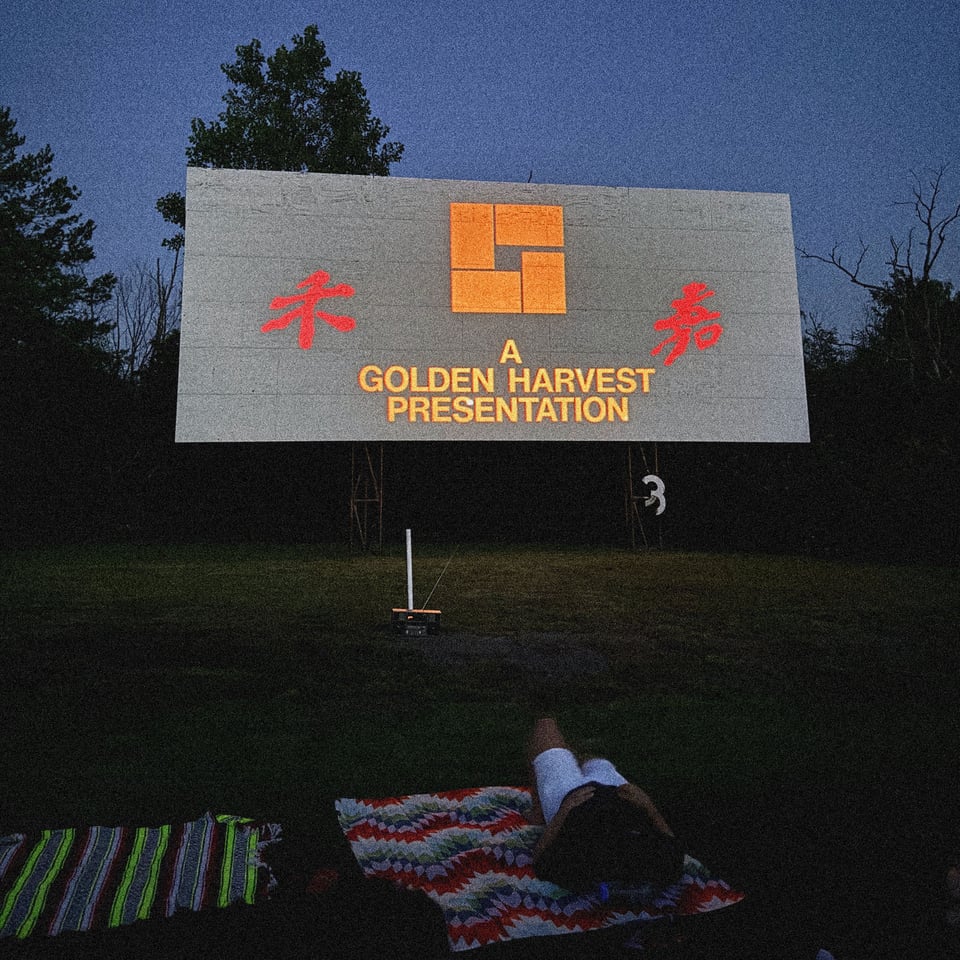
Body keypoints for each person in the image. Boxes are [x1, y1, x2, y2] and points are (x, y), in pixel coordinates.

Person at [525, 717, 684, 897]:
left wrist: (564, 811)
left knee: (546, 727)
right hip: (619, 793)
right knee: (597, 763)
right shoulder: (653, 862)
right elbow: (672, 846)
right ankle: (579, 757)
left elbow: (540, 859)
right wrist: (648, 806)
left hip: (570, 795)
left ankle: (539, 810)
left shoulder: (582, 863)